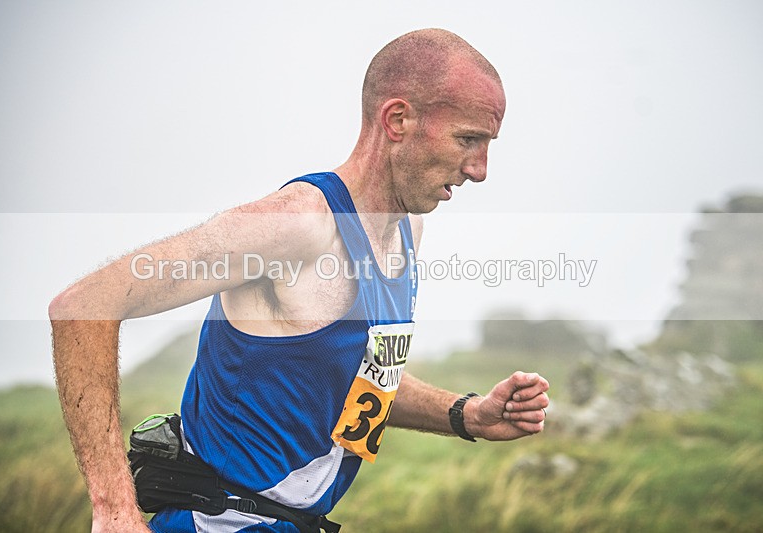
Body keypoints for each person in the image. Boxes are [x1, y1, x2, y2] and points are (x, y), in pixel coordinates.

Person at [49, 28, 550, 533]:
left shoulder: (407, 233)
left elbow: (355, 386)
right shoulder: (296, 224)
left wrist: (467, 415)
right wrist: (114, 511)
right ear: (397, 119)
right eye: (469, 139)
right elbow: (85, 304)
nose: (480, 169)